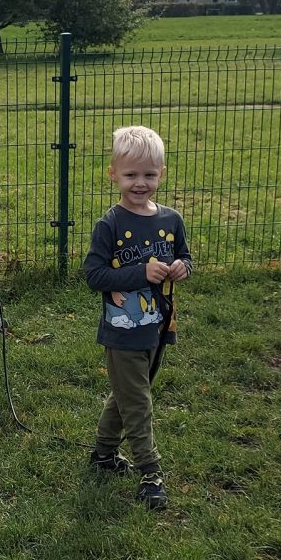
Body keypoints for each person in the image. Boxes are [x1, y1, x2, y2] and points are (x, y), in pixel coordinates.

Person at [82, 125, 193, 511]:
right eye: (131, 175)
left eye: (149, 174)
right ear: (113, 174)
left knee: (128, 392)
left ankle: (103, 454)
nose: (140, 183)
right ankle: (150, 471)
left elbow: (185, 257)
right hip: (123, 330)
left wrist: (181, 268)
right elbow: (94, 274)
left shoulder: (171, 219)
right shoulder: (110, 224)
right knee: (139, 400)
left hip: (160, 327)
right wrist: (139, 274)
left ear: (161, 173)